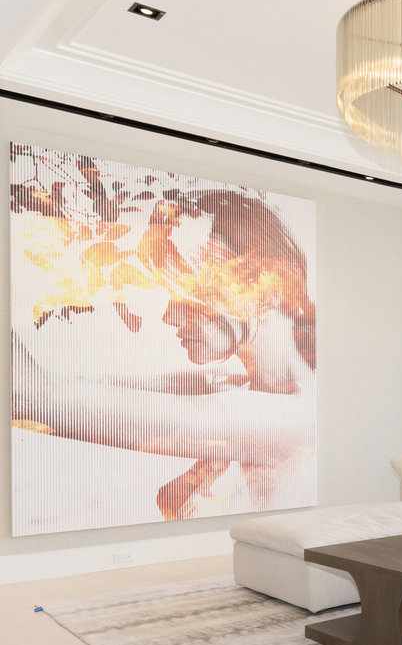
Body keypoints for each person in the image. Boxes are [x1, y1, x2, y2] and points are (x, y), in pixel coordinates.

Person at [12, 186, 316, 520]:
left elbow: (34, 396)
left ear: (266, 289)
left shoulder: (280, 418)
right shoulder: (235, 386)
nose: (168, 316)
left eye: (188, 288)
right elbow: (61, 387)